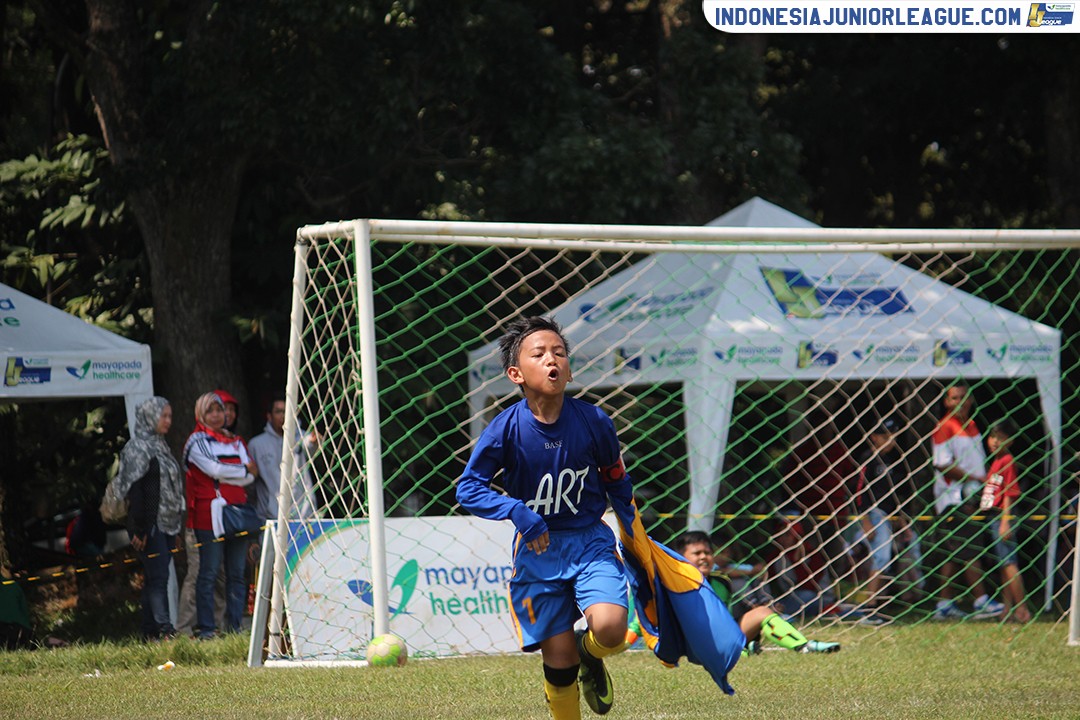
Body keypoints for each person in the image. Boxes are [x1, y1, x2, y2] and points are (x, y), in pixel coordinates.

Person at [455, 316, 629, 720]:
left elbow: (615, 475)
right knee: (559, 662)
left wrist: (632, 526)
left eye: (559, 353)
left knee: (611, 629)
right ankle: (573, 672)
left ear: (568, 369)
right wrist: (518, 512)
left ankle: (592, 656)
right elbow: (468, 488)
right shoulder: (504, 430)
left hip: (590, 541)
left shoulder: (595, 421)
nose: (552, 360)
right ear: (516, 373)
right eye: (539, 354)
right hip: (539, 551)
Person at [672, 531, 840, 655]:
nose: (704, 557)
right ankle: (736, 650)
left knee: (761, 612)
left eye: (707, 553)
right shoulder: (674, 584)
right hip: (692, 641)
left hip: (722, 635)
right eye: (697, 553)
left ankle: (804, 646)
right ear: (681, 558)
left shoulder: (722, 581)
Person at [182, 391, 258, 638]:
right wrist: (239, 469)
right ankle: (207, 629)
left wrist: (231, 472)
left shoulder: (235, 440)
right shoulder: (196, 442)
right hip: (209, 516)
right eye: (210, 411)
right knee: (209, 572)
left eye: (219, 410)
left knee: (237, 574)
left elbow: (251, 475)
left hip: (237, 513)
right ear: (200, 414)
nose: (216, 416)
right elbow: (213, 469)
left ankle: (235, 627)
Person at [930, 383, 1004, 620]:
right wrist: (975, 480)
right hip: (953, 499)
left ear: (971, 399)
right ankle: (981, 601)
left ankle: (944, 604)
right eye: (954, 398)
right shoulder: (944, 427)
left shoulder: (972, 426)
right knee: (970, 549)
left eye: (963, 397)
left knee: (955, 552)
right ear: (946, 402)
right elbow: (942, 465)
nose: (959, 402)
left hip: (972, 496)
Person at [118, 396, 185, 640]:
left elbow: (170, 489)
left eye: (169, 415)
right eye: (163, 416)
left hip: (167, 523)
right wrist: (139, 529)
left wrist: (175, 529)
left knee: (154, 577)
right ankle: (165, 631)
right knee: (159, 577)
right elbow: (135, 491)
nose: (168, 420)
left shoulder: (162, 447)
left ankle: (149, 633)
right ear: (150, 417)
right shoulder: (137, 448)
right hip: (148, 524)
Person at [785, 409, 858, 597]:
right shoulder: (803, 451)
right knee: (812, 553)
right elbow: (789, 481)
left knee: (836, 553)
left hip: (836, 513)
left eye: (828, 426)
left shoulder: (840, 450)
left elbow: (853, 478)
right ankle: (814, 592)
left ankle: (837, 593)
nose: (824, 430)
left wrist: (849, 502)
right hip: (810, 513)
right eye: (820, 426)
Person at [851, 417, 916, 610]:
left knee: (908, 551)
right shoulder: (867, 458)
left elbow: (897, 494)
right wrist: (865, 521)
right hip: (874, 514)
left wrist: (902, 521)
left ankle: (886, 600)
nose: (890, 439)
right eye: (885, 435)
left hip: (892, 515)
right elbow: (858, 492)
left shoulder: (894, 460)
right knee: (882, 556)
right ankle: (870, 604)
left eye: (893, 435)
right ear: (874, 437)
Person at [982, 421, 1032, 623]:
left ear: (1009, 441)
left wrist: (1005, 521)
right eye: (993, 437)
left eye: (1000, 438)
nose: (995, 441)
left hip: (1003, 516)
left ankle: (1022, 609)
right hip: (994, 516)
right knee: (1004, 565)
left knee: (1010, 564)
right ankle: (1007, 608)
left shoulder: (1007, 461)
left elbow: (1010, 493)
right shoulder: (996, 462)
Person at [248, 396, 318, 522]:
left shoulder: (303, 437)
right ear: (269, 416)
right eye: (278, 411)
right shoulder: (256, 445)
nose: (283, 416)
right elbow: (251, 484)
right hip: (270, 518)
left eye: (287, 411)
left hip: (303, 516)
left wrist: (315, 442)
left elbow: (311, 447)